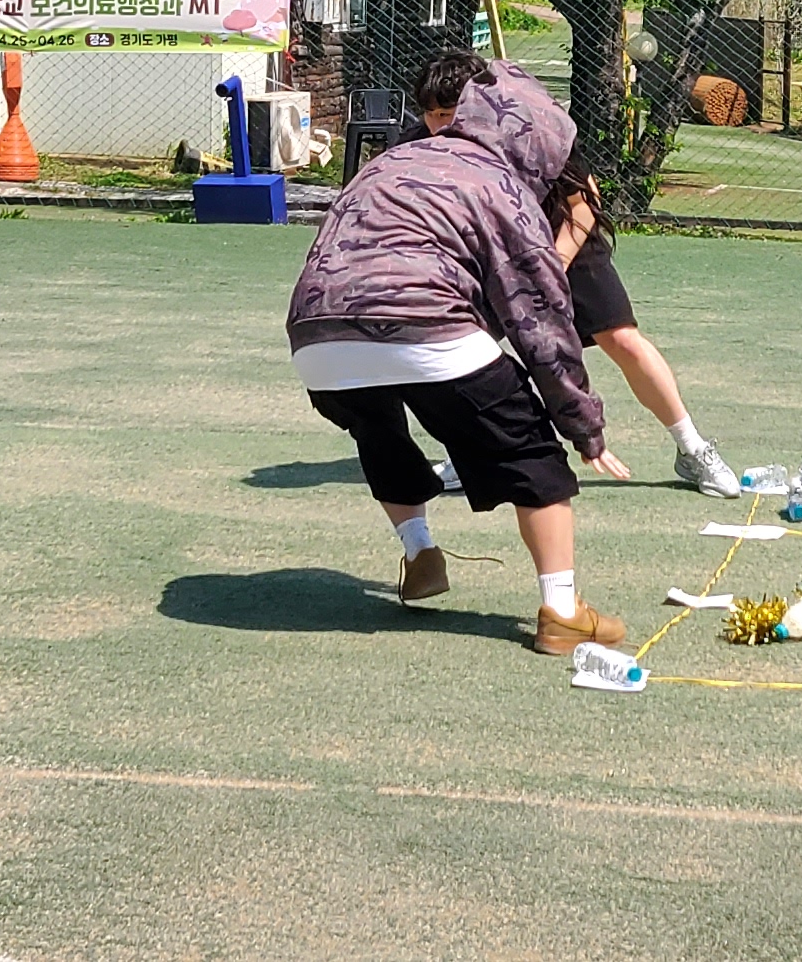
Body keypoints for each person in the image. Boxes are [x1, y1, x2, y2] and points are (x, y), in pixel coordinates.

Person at [286, 50, 635, 656]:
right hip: (425, 328)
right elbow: (539, 316)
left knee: (376, 426)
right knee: (532, 455)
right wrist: (583, 425)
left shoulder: (389, 161)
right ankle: (561, 611)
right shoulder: (500, 183)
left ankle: (420, 552)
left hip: (318, 336)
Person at [545, 157, 742, 499]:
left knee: (622, 338)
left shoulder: (537, 121)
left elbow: (585, 201)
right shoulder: (432, 139)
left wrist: (552, 267)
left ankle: (691, 448)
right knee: (471, 340)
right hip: (499, 246)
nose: (440, 122)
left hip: (565, 241)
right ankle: (474, 452)